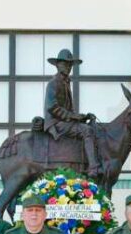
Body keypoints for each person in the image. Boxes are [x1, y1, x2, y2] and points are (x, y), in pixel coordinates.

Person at [43, 48, 101, 177]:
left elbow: (69, 109)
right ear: (57, 65)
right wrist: (74, 116)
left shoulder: (66, 83)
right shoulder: (53, 83)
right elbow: (52, 107)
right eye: (64, 63)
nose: (68, 67)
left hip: (63, 121)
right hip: (55, 122)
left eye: (70, 64)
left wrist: (81, 117)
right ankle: (94, 167)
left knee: (90, 127)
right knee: (87, 131)